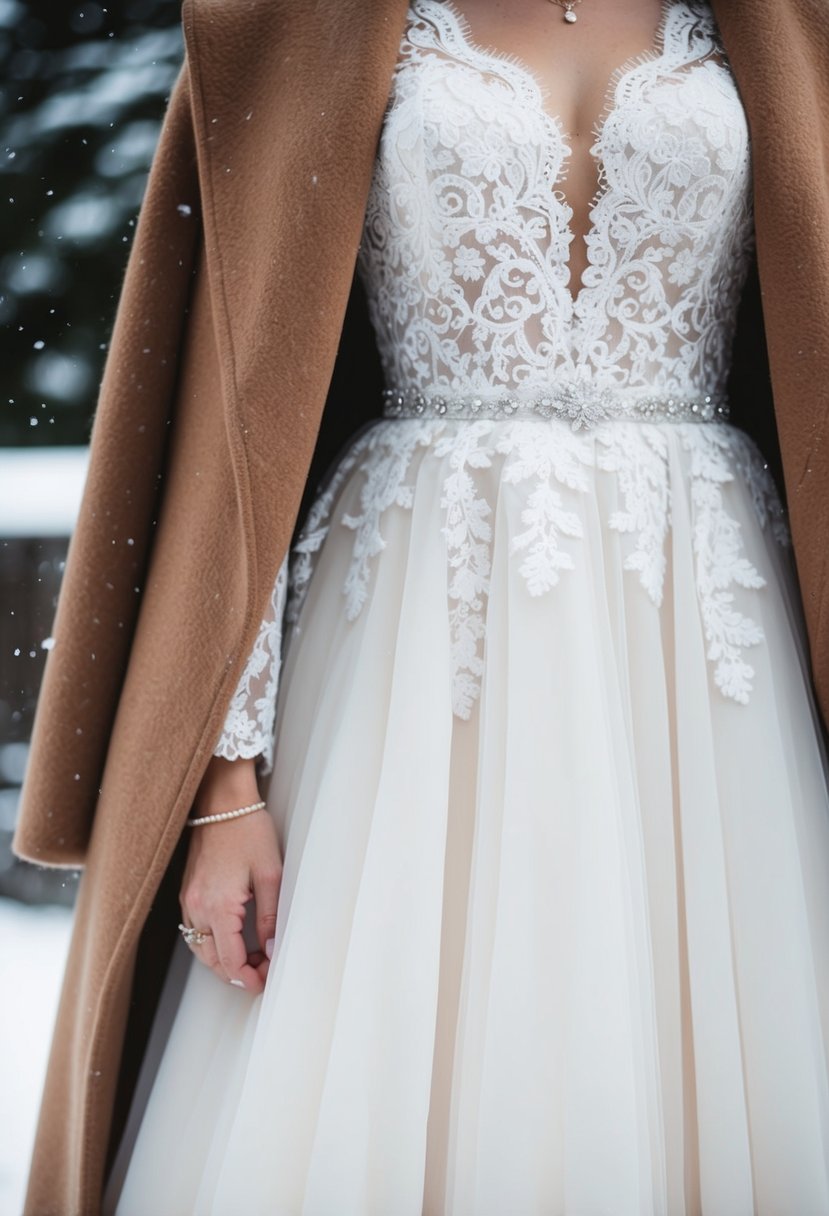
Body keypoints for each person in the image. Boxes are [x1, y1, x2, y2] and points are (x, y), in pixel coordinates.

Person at [14, 0, 829, 1212]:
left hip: (711, 643)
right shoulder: (299, 24)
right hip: (404, 632)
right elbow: (228, 416)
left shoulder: (788, 23)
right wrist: (222, 783)